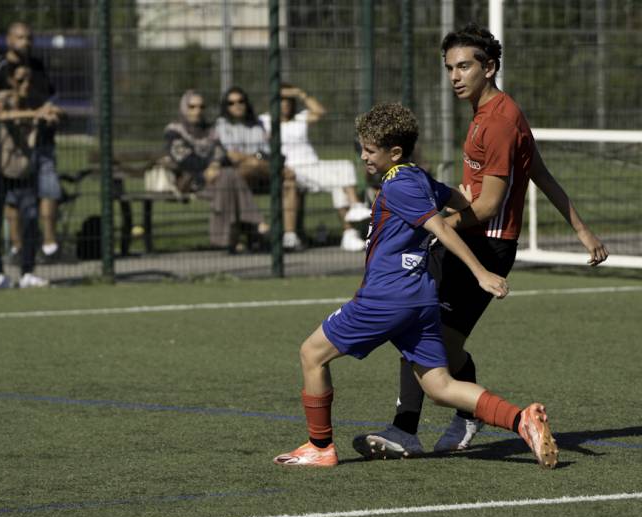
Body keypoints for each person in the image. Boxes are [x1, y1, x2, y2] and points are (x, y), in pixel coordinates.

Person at [353, 23, 608, 460]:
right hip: (472, 238)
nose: (455, 75)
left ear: (489, 68)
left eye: (464, 66)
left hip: (485, 244)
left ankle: (422, 426)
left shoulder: (499, 123)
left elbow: (487, 206)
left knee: (430, 343)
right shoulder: (491, 113)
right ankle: (417, 427)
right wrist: (582, 229)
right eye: (450, 67)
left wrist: (436, 223)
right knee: (430, 339)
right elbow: (539, 172)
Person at [273, 103, 558, 470]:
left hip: (385, 297)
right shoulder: (416, 177)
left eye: (369, 150)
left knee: (312, 354)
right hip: (420, 299)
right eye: (361, 148)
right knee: (439, 386)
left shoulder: (400, 185)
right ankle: (522, 419)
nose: (362, 156)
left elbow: (439, 227)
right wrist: (464, 200)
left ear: (394, 152)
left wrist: (479, 272)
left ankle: (319, 446)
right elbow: (452, 197)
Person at [0, 21, 64, 263]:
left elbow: (49, 99)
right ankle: (13, 253)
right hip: (10, 148)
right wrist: (0, 133)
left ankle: (48, 247)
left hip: (39, 142)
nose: (25, 42)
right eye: (20, 37)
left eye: (29, 38)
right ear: (9, 39)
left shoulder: (37, 66)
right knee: (11, 202)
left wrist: (50, 113)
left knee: (47, 191)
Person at [259, 84, 371, 252]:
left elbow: (320, 112)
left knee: (343, 171)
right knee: (341, 177)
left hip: (314, 167)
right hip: (292, 170)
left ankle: (350, 230)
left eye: (289, 100)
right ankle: (351, 218)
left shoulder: (300, 118)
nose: (286, 104)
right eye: (281, 100)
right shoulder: (265, 121)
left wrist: (299, 93)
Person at [164, 90, 268, 251]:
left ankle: (226, 239)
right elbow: (183, 158)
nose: (197, 111)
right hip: (191, 181)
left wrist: (215, 166)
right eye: (192, 107)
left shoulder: (210, 130)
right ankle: (256, 222)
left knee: (228, 177)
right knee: (230, 177)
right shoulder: (174, 131)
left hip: (217, 178)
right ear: (184, 107)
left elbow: (221, 153)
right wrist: (208, 168)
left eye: (201, 107)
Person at [0, 63, 52, 289]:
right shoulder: (3, 97)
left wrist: (51, 114)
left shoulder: (35, 100)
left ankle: (28, 272)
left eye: (29, 79)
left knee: (31, 218)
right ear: (11, 80)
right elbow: (0, 114)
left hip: (23, 170)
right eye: (20, 80)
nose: (26, 85)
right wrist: (34, 114)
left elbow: (52, 110)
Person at [216, 86, 302, 251]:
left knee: (289, 182)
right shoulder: (222, 124)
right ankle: (255, 231)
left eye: (241, 101)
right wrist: (257, 160)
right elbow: (233, 155)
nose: (237, 105)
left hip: (262, 172)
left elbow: (267, 152)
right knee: (253, 165)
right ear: (226, 106)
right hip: (237, 174)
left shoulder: (257, 124)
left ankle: (289, 236)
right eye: (231, 103)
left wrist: (258, 160)